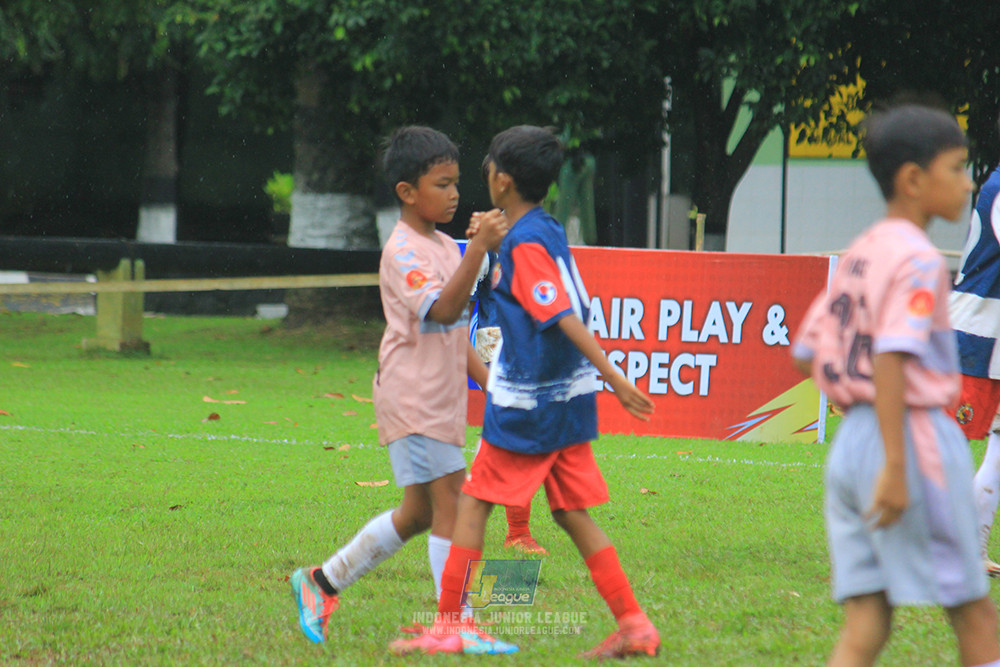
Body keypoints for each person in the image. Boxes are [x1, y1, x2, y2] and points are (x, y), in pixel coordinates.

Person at [389, 125, 660, 658]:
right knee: (570, 512)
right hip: (568, 400)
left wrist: (616, 375)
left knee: (472, 505)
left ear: (503, 180)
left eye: (487, 166)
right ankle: (634, 623)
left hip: (532, 401)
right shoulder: (543, 226)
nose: (480, 175)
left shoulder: (525, 242)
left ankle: (449, 626)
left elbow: (558, 312)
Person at [792, 105, 1000, 667]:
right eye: (957, 168)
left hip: (853, 446)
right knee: (974, 612)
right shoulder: (918, 258)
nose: (969, 182)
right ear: (913, 180)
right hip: (910, 443)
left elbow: (807, 350)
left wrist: (858, 413)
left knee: (868, 619)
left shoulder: (862, 251)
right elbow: (893, 350)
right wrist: (895, 460)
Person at [289, 126, 507, 644]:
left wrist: (497, 388)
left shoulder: (443, 247)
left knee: (417, 514)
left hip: (438, 397)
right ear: (407, 193)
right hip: (414, 397)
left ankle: (320, 582)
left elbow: (457, 336)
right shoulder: (405, 252)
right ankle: (456, 624)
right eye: (442, 183)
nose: (454, 194)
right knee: (452, 504)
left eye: (456, 183)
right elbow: (446, 308)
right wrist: (478, 247)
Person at [950, 109, 1000, 577]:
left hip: (992, 331)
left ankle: (971, 545)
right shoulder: (999, 185)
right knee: (949, 439)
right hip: (977, 328)